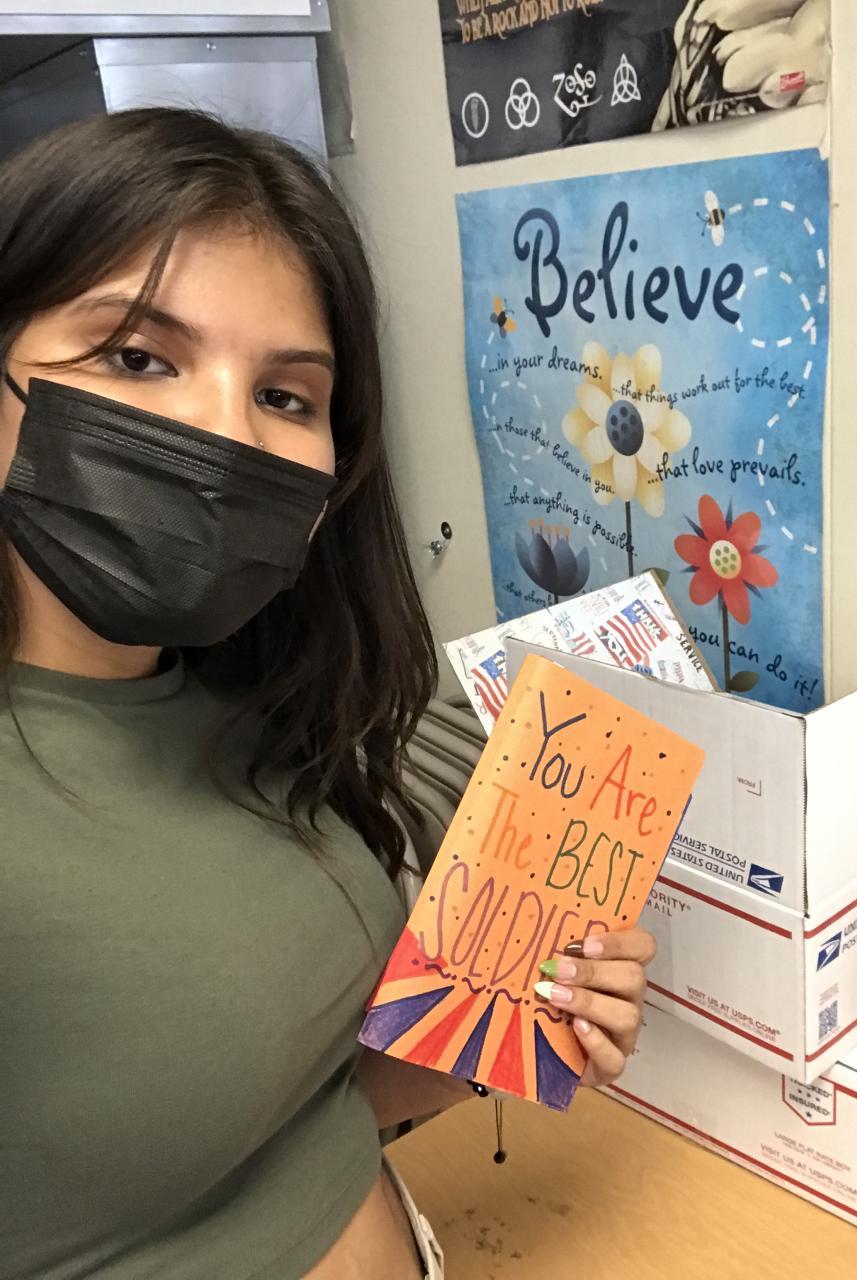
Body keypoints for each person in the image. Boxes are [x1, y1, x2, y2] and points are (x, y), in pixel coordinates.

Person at [0, 108, 655, 1280]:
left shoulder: (259, 709)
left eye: (287, 395)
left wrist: (503, 1026)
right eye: (138, 356)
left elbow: (295, 1111)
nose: (224, 436)